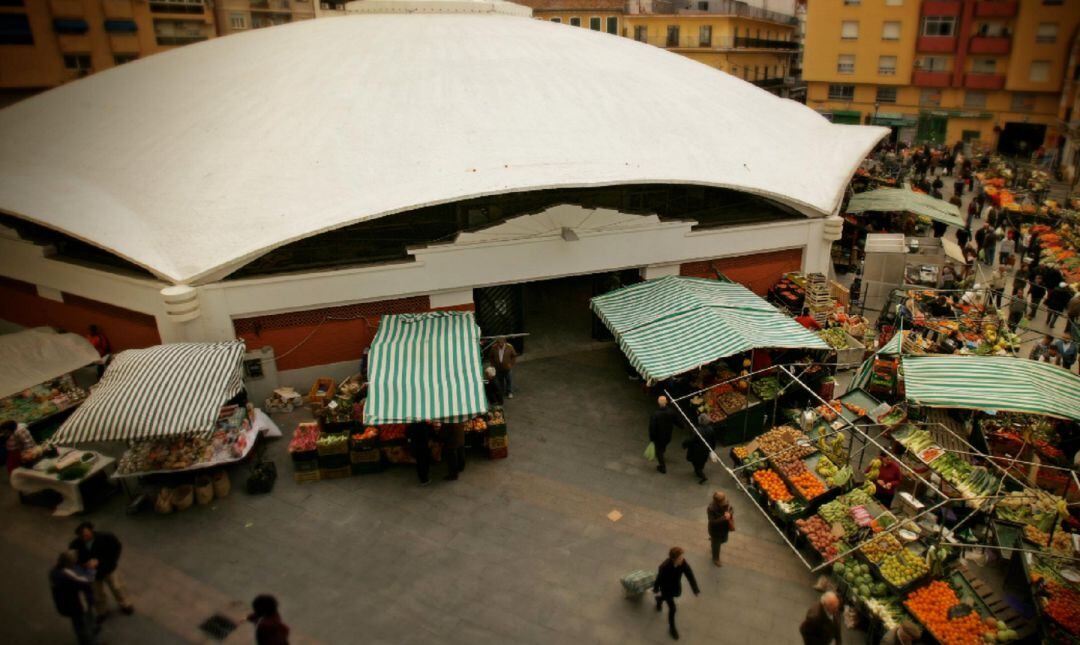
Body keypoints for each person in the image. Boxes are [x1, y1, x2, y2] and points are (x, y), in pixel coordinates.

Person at [70, 521, 133, 619]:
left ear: (92, 531)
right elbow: (73, 559)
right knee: (96, 594)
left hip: (108, 568)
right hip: (92, 573)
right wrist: (84, 564)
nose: (84, 538)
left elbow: (116, 548)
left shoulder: (106, 537)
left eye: (86, 535)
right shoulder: (76, 544)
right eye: (82, 536)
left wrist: (104, 562)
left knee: (118, 588)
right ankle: (102, 611)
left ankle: (125, 604)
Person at [50, 550, 97, 645]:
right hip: (75, 605)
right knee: (81, 624)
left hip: (65, 603)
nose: (76, 562)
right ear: (69, 564)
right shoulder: (67, 576)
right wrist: (91, 568)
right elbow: (86, 580)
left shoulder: (54, 571)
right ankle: (87, 641)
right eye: (74, 561)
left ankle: (90, 629)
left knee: (81, 622)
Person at [653, 546, 699, 640]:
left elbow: (690, 575)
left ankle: (659, 599)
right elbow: (659, 578)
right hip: (666, 589)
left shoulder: (683, 563)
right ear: (673, 559)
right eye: (680, 558)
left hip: (675, 588)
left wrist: (695, 589)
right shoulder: (664, 567)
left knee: (667, 598)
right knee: (673, 609)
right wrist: (656, 588)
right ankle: (672, 628)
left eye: (682, 557)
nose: (682, 559)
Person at [683, 414, 717, 484]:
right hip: (705, 450)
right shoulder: (711, 429)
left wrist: (684, 444)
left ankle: (702, 475)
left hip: (696, 450)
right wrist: (712, 449)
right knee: (702, 462)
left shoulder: (697, 430)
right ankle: (699, 470)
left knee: (696, 463)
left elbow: (691, 439)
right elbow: (713, 441)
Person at [649, 396, 677, 474]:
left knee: (659, 451)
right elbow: (676, 421)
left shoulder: (655, 414)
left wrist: (652, 438)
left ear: (658, 403)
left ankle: (662, 466)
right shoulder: (671, 412)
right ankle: (663, 451)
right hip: (668, 434)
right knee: (663, 445)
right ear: (666, 402)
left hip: (658, 437)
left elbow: (652, 427)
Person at [706, 492, 733, 567]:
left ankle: (713, 541)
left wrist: (730, 514)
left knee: (724, 540)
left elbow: (731, 509)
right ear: (716, 502)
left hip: (724, 529)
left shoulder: (726, 502)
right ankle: (715, 558)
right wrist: (724, 518)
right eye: (722, 502)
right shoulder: (711, 508)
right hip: (715, 531)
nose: (724, 503)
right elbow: (712, 522)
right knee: (716, 546)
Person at [405, 422, 433, 486]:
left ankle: (422, 478)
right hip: (424, 447)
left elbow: (407, 436)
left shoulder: (411, 426)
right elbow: (432, 435)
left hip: (416, 447)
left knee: (419, 463)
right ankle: (425, 479)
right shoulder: (426, 425)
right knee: (425, 463)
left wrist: (410, 443)